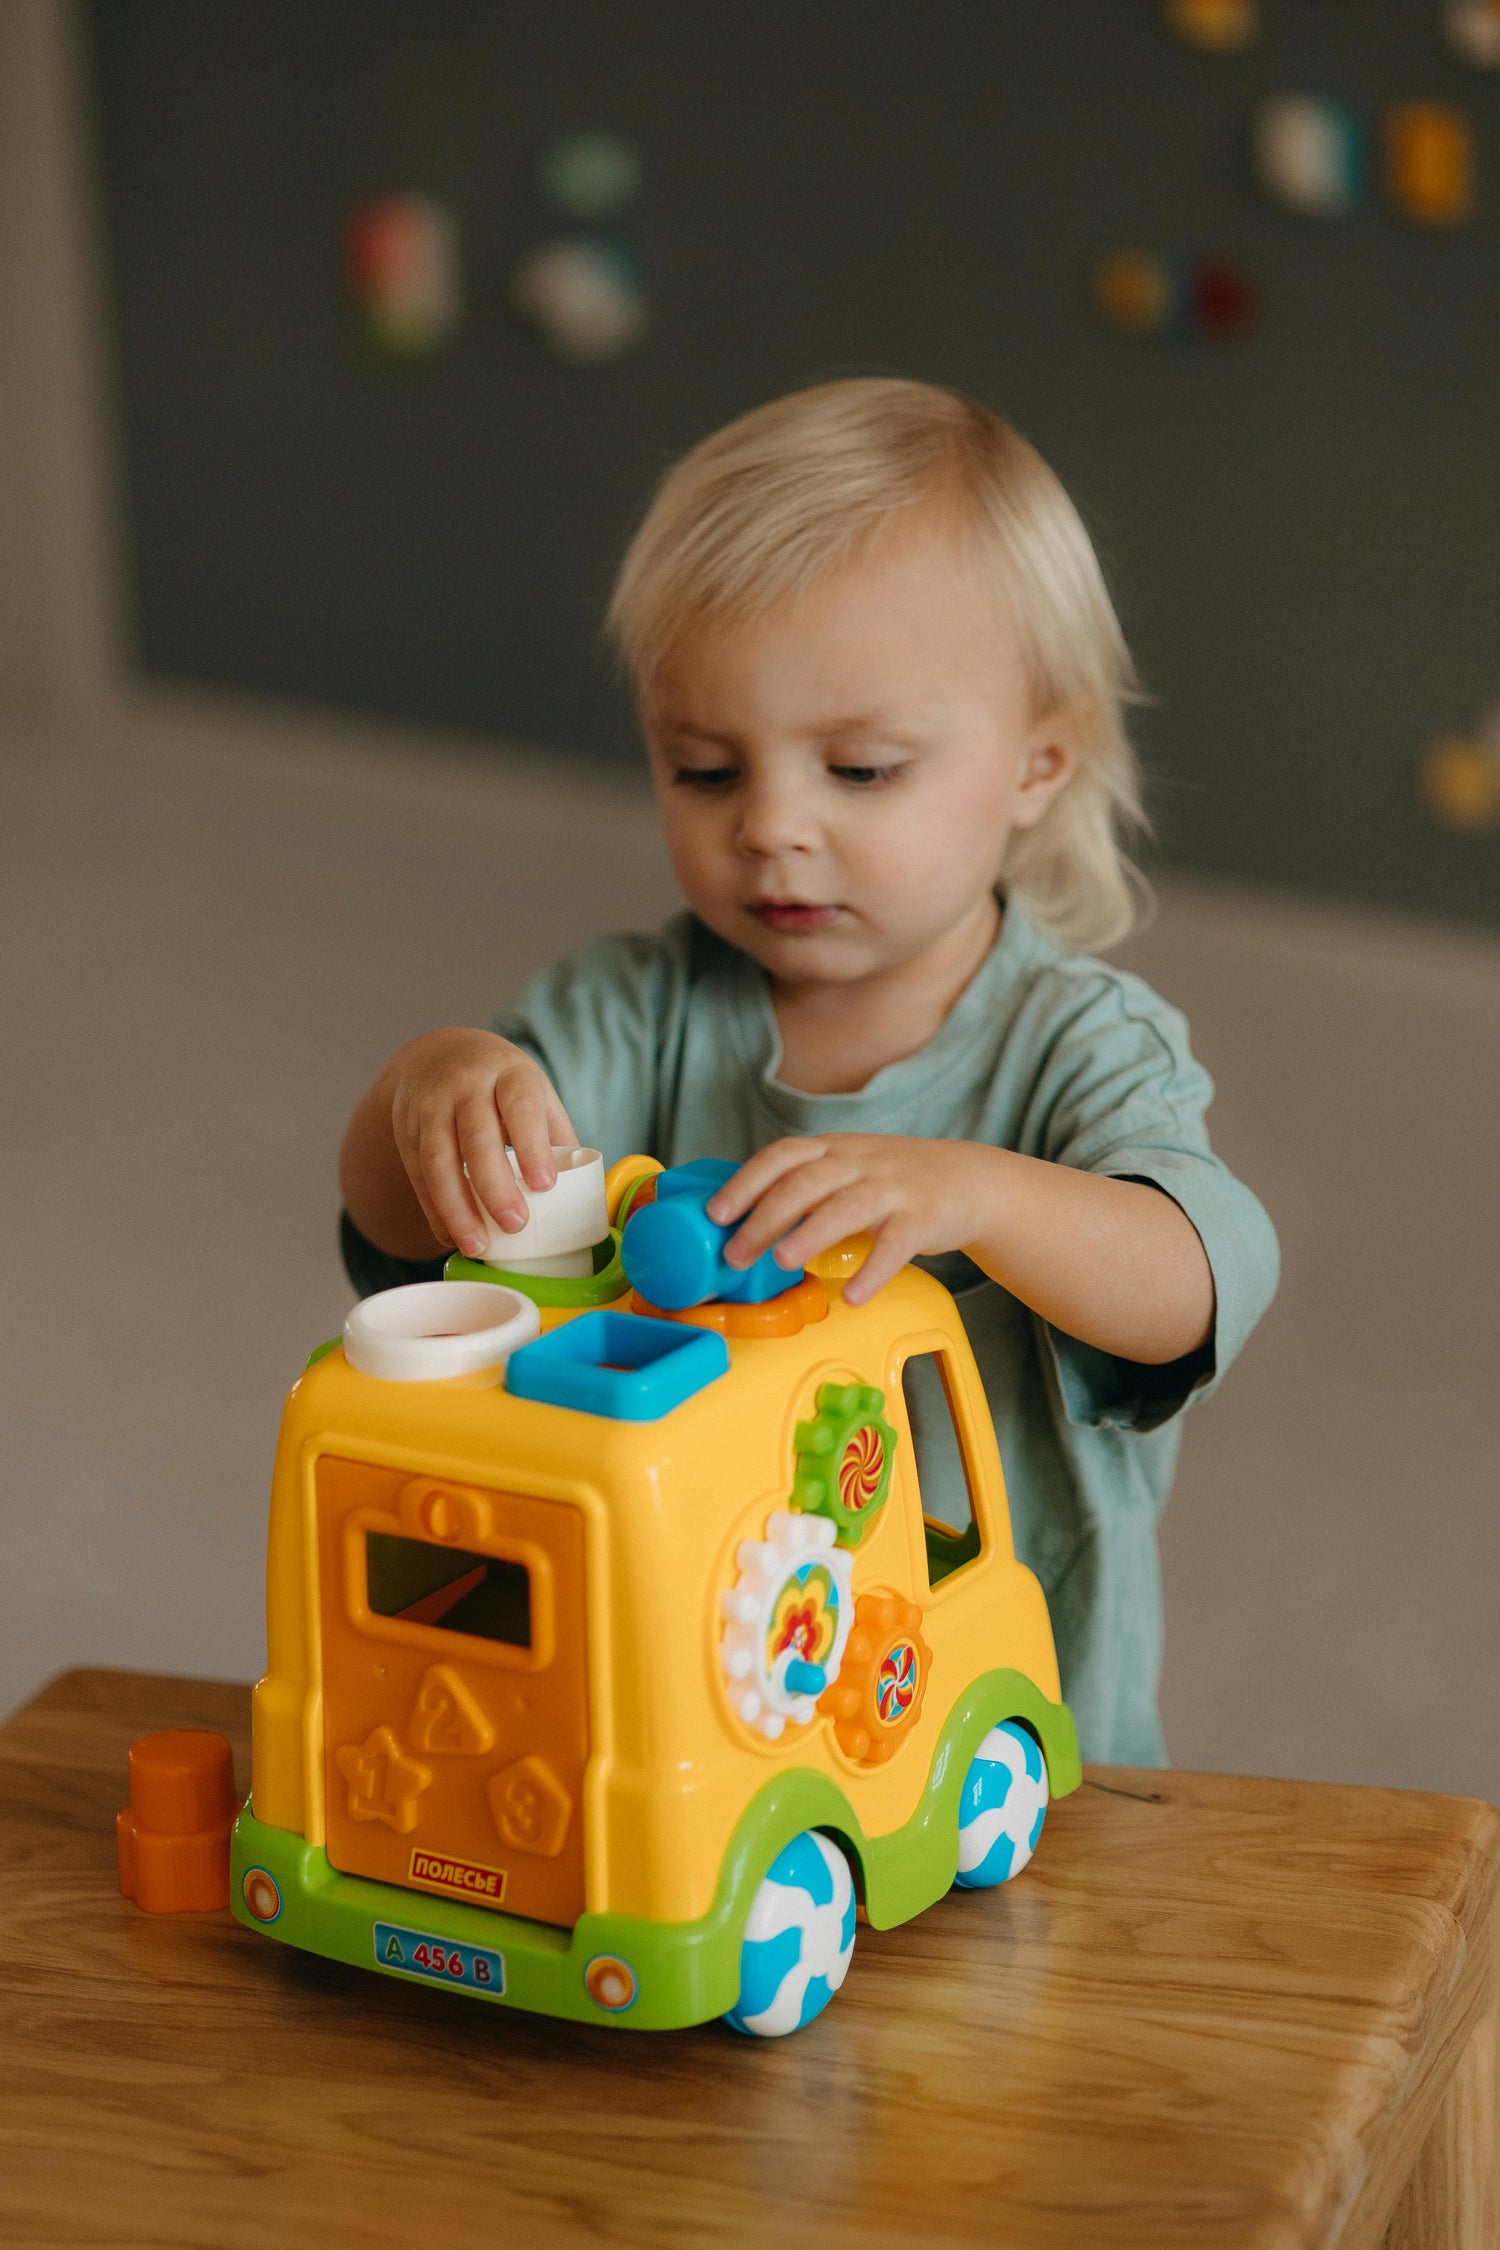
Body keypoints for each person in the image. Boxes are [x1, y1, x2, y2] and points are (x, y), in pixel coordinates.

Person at [338, 377, 1279, 1766]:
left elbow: (1203, 1277)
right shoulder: (636, 1008)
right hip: (688, 1706)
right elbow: (401, 1236)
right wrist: (429, 1086)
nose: (772, 825)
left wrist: (981, 1196)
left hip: (1000, 1718)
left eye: (861, 766)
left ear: (1039, 761)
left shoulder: (1080, 1045)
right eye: (706, 768)